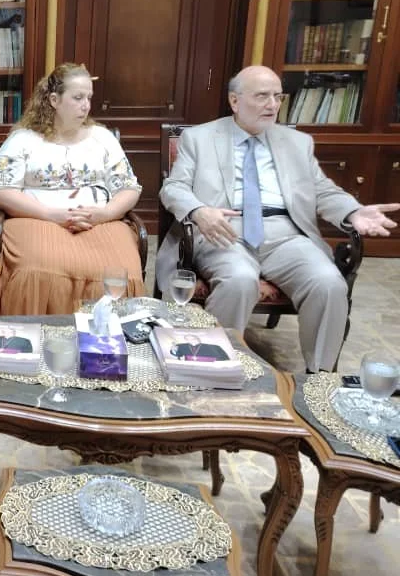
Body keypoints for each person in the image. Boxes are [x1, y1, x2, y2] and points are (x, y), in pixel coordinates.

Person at [158, 65, 399, 372]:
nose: (272, 105)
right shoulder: (199, 138)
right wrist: (199, 211)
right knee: (240, 280)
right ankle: (210, 368)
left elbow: (322, 190)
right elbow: (174, 188)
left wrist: (352, 211)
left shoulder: (297, 142)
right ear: (235, 101)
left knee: (328, 283)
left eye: (278, 97)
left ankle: (320, 379)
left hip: (285, 234)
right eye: (262, 96)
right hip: (224, 230)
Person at [0, 62, 145, 316]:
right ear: (54, 100)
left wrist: (104, 214)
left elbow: (129, 188)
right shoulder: (24, 139)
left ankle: (105, 337)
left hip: (98, 220)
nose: (86, 106)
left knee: (122, 270)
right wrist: (52, 215)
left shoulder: (102, 138)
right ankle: (35, 334)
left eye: (89, 98)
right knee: (34, 269)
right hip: (37, 218)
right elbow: (1, 190)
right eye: (78, 98)